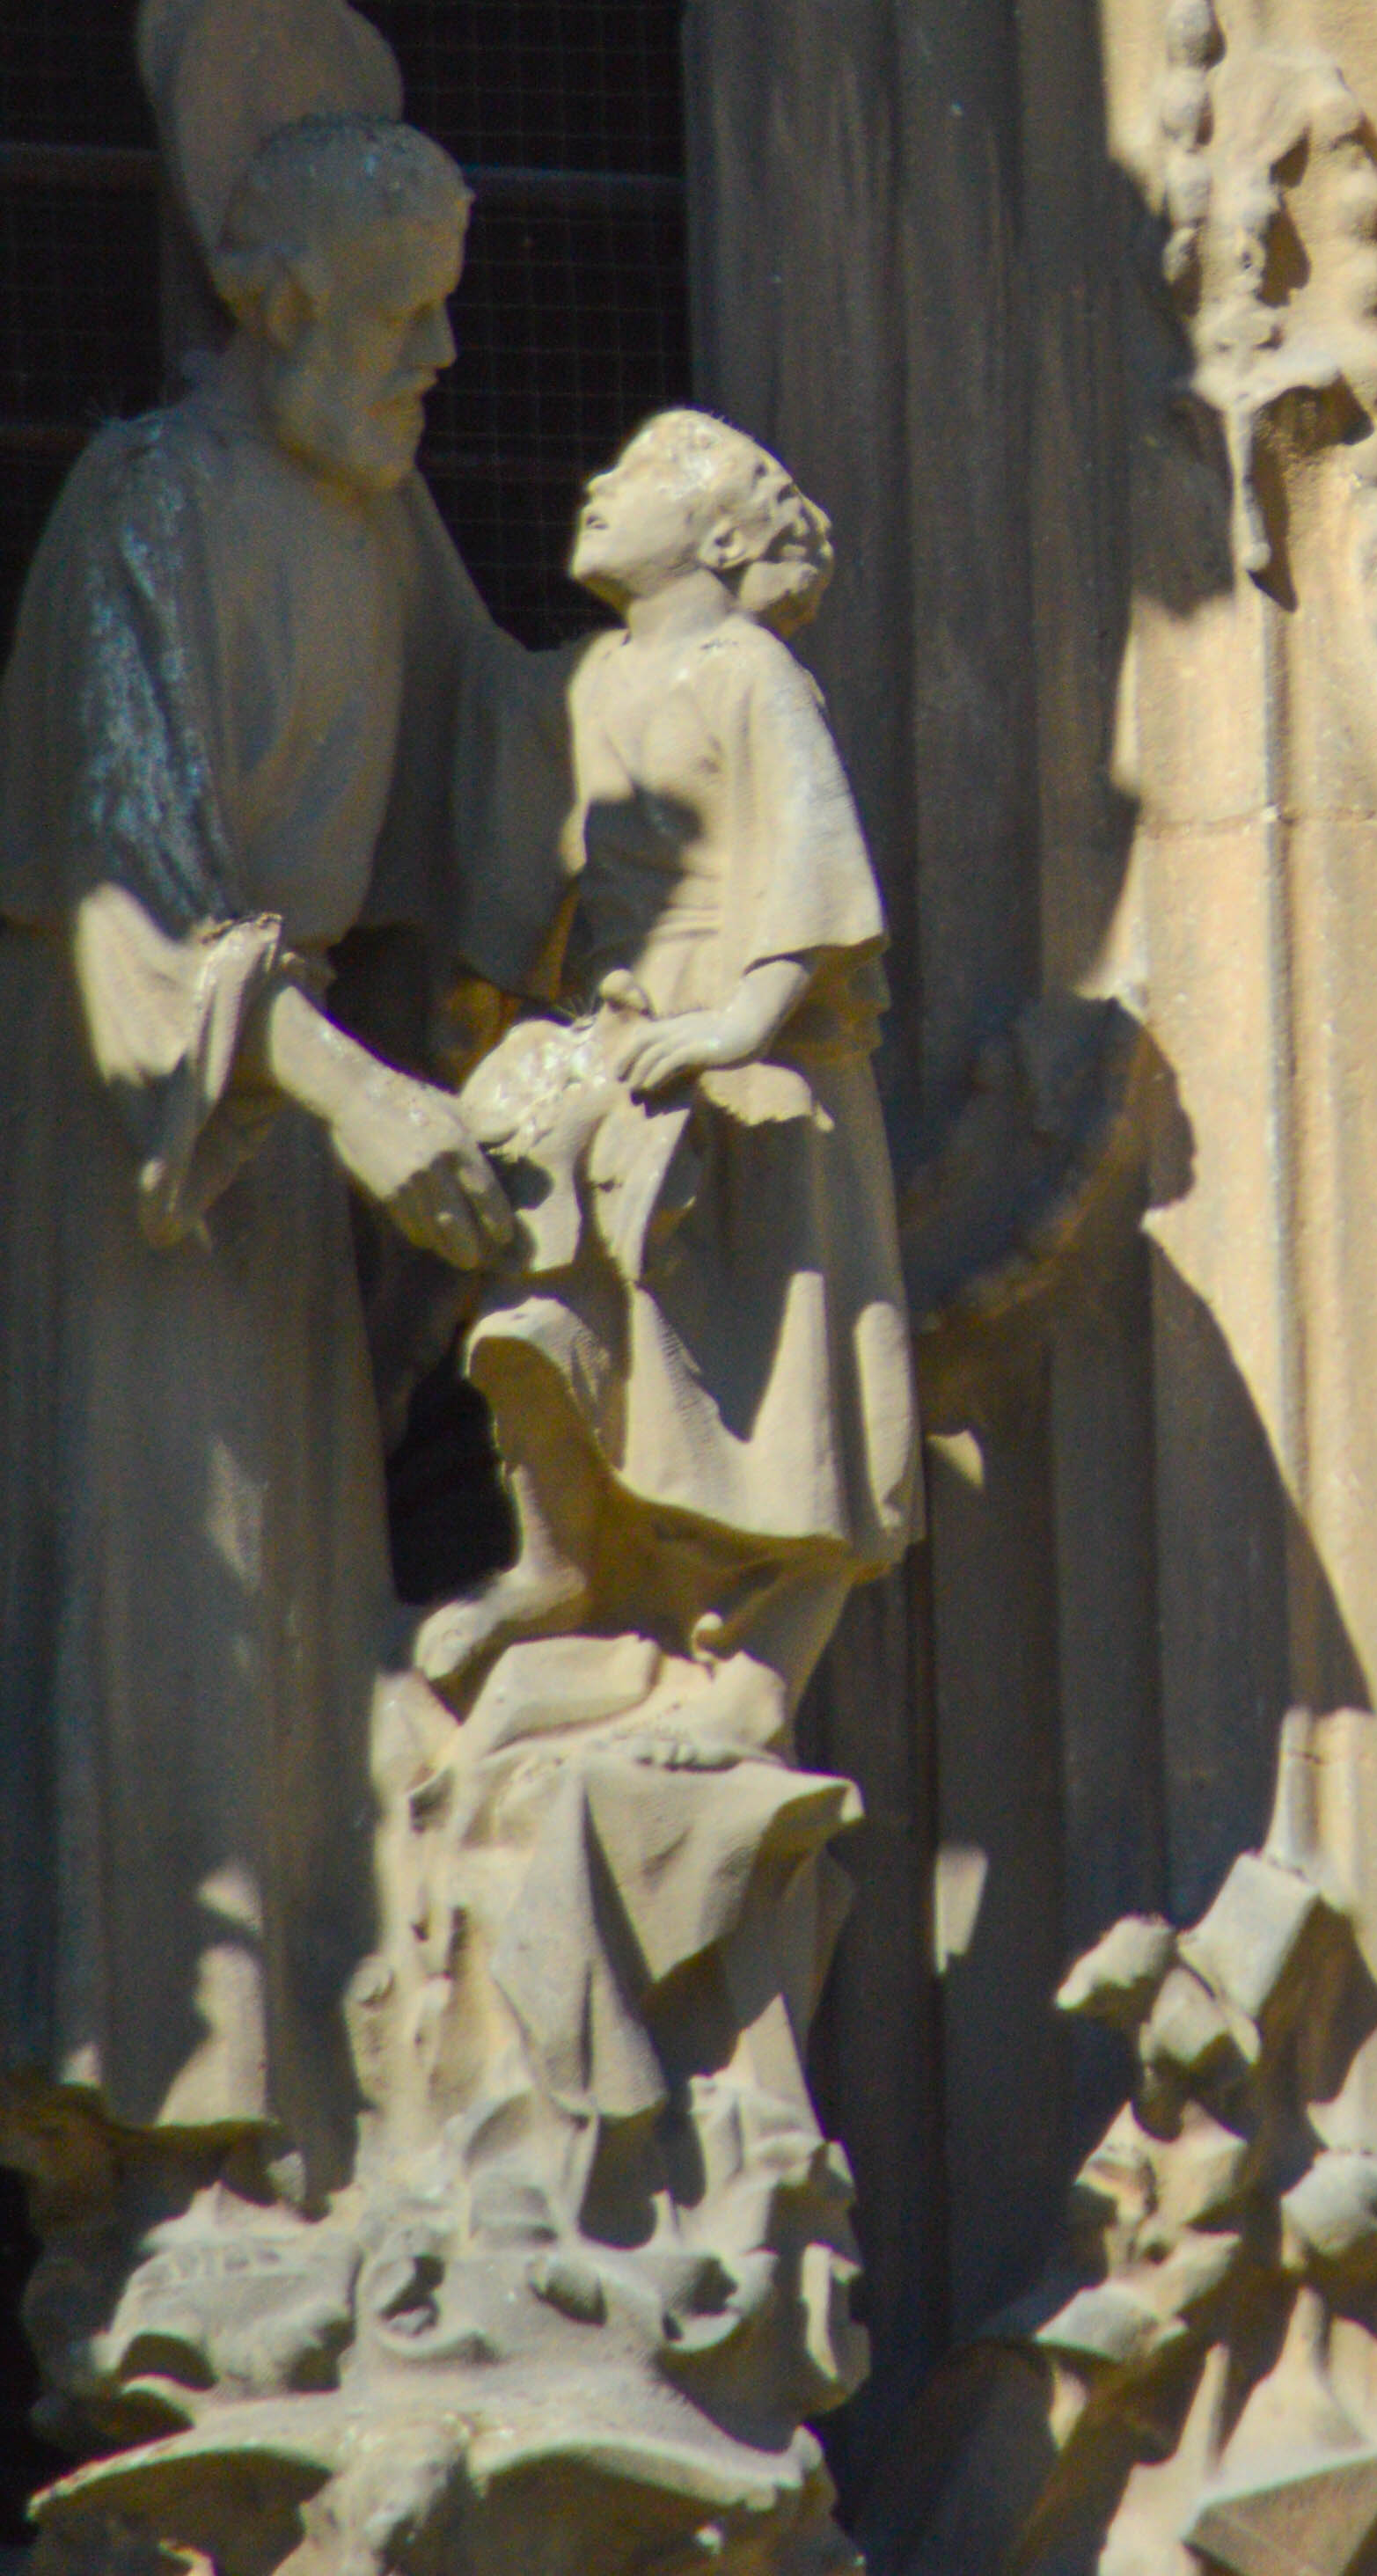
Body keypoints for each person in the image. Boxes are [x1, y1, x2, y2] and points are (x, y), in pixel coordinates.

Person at [0, 115, 511, 2212]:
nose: (445, 352)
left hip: (295, 1161)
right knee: (177, 1589)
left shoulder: (382, 529)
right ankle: (164, 2143)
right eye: (409, 307)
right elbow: (126, 888)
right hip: (154, 1160)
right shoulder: (149, 502)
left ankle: (312, 2117)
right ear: (284, 301)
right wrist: (365, 1096)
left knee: (310, 1606)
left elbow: (514, 748)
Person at [428, 411, 917, 1711]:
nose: (594, 481)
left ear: (716, 536)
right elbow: (519, 875)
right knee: (535, 1318)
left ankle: (759, 1664)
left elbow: (810, 855)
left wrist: (741, 1022)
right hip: (615, 1037)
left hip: (744, 1064)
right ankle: (553, 1559)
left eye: (635, 472)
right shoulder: (574, 685)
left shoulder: (753, 673)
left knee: (773, 1382)